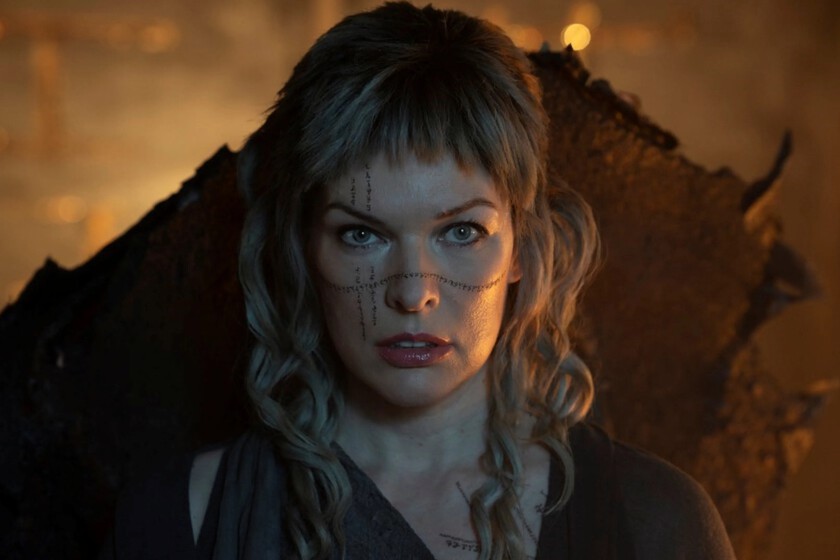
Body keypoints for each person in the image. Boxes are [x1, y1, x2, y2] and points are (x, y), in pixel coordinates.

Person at [102, 2, 736, 559]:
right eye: (362, 235)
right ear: (303, 248)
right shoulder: (181, 516)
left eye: (461, 232)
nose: (412, 294)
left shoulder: (654, 521)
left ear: (520, 244)